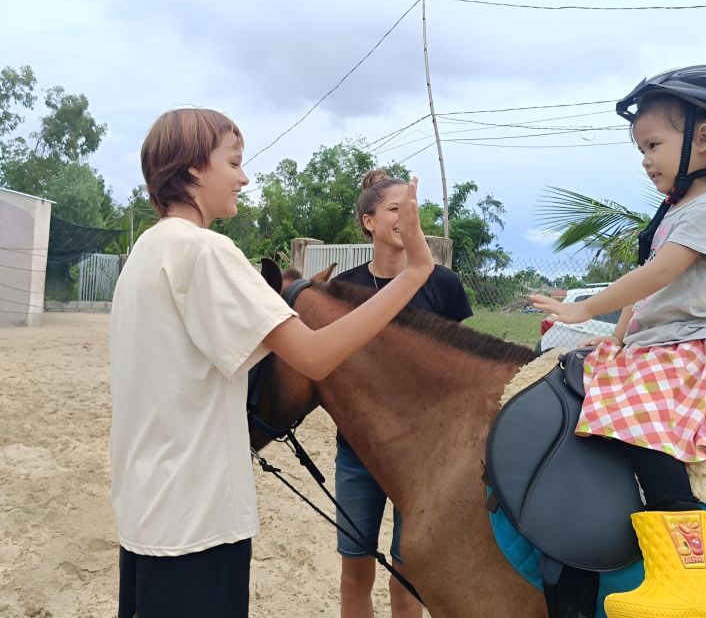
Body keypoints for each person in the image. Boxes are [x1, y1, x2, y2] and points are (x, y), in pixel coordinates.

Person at [110, 109, 434, 618]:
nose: (243, 177)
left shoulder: (146, 251)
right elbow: (314, 355)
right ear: (194, 169)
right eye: (234, 163)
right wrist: (415, 273)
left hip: (147, 511)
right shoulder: (205, 252)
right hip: (197, 521)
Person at [531, 66, 706, 618]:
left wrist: (582, 307)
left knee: (645, 434)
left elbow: (656, 276)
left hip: (689, 352)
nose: (646, 159)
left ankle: (690, 577)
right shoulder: (679, 209)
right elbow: (643, 300)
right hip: (656, 346)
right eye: (640, 148)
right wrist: (615, 338)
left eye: (653, 144)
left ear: (703, 136)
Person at [332, 169, 472, 618]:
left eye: (412, 208)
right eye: (395, 208)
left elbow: (460, 368)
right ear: (368, 221)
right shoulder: (343, 289)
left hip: (423, 456)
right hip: (358, 452)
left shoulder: (443, 285)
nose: (406, 217)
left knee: (408, 577)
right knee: (356, 571)